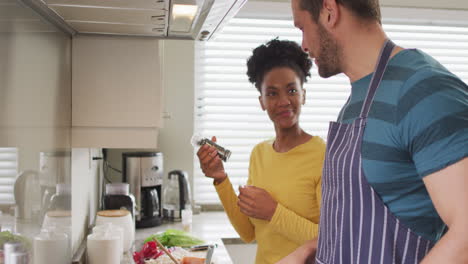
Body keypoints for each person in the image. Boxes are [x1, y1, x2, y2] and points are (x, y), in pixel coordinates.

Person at [277, 0, 468, 263]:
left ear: (329, 12)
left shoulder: (423, 89)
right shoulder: (356, 102)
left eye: (302, 27)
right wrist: (307, 251)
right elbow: (352, 223)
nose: (304, 45)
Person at [196, 39, 326, 264]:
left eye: (292, 90)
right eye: (272, 93)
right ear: (262, 101)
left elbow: (329, 241)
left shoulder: (323, 156)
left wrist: (274, 212)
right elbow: (249, 233)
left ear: (303, 95)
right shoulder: (259, 153)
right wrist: (220, 179)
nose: (284, 101)